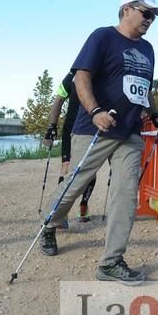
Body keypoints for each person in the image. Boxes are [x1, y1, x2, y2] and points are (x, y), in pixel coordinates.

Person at [39, 0, 158, 285]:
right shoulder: (102, 36)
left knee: (125, 193)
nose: (150, 20)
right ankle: (50, 223)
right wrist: (95, 110)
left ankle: (111, 262)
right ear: (126, 10)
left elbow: (143, 88)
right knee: (77, 182)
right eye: (145, 13)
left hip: (129, 132)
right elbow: (80, 78)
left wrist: (156, 114)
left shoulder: (148, 49)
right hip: (95, 127)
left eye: (153, 16)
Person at [44, 71, 97, 223]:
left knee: (90, 170)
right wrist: (51, 127)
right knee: (66, 168)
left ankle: (83, 205)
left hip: (90, 128)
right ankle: (60, 213)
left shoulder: (100, 73)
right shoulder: (71, 76)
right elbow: (58, 101)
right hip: (70, 128)